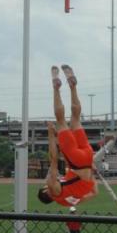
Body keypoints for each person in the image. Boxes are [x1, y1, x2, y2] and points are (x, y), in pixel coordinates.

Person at [38, 65, 98, 207]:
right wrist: (51, 134)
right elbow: (53, 158)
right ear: (47, 191)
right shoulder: (53, 187)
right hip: (75, 159)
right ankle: (57, 88)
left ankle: (73, 86)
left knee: (76, 120)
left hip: (87, 158)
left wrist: (92, 173)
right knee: (62, 121)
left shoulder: (67, 202)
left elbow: (94, 192)